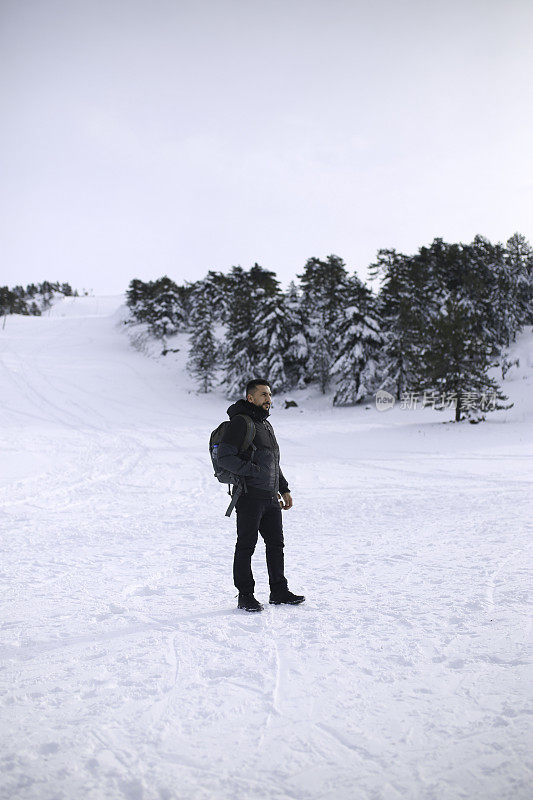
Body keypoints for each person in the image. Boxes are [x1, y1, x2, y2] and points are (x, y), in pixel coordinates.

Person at [217, 378, 305, 612]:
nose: (268, 399)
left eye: (269, 395)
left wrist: (284, 488)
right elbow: (225, 457)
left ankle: (279, 591)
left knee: (276, 544)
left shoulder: (266, 425)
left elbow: (272, 461)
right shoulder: (241, 423)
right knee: (246, 545)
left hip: (269, 496)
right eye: (264, 395)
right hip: (249, 495)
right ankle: (245, 595)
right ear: (251, 398)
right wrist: (253, 471)